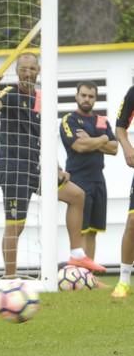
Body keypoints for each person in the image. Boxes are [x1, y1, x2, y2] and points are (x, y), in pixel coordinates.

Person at [0, 53, 105, 277]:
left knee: (76, 196)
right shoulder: (9, 93)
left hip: (36, 168)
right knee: (15, 226)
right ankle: (10, 278)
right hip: (13, 169)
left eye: (32, 69)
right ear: (17, 71)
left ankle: (77, 253)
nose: (28, 73)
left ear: (39, 71)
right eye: (23, 69)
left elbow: (46, 138)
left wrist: (57, 167)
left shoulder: (42, 98)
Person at [59, 81, 117, 261]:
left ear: (95, 99)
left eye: (90, 96)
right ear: (76, 96)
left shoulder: (102, 120)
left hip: (98, 180)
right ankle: (78, 272)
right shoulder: (69, 119)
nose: (86, 99)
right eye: (83, 95)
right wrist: (103, 139)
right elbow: (79, 146)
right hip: (79, 180)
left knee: (92, 231)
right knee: (81, 231)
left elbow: (114, 148)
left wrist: (95, 139)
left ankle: (88, 276)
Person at [112, 85, 134, 299]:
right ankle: (124, 281)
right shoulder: (133, 92)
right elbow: (120, 128)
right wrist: (127, 148)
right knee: (132, 222)